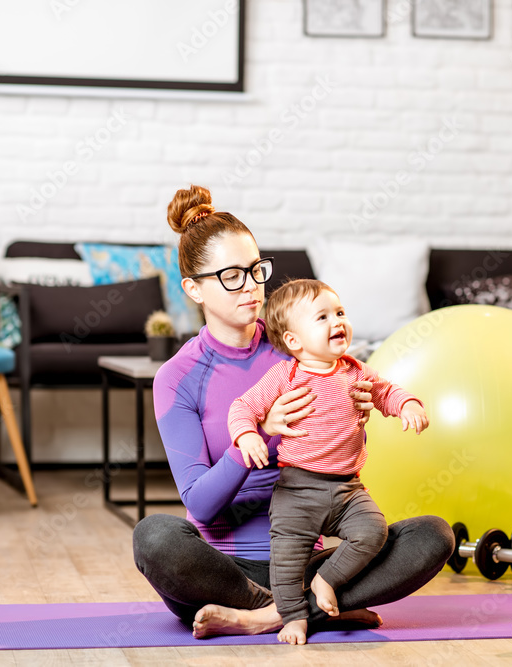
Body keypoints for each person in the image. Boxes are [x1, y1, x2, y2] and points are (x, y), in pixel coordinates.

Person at [132, 184, 454, 642]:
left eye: (255, 269)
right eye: (231, 276)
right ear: (194, 289)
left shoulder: (300, 348)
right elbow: (200, 502)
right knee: (154, 538)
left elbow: (335, 458)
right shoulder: (177, 376)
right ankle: (305, 610)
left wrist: (360, 411)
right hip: (225, 573)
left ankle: (269, 617)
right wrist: (258, 436)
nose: (251, 286)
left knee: (433, 536)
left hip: (312, 561)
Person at [229, 278, 430, 644]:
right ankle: (293, 618)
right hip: (297, 491)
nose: (337, 321)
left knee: (373, 532)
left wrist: (407, 404)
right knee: (287, 561)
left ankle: (327, 580)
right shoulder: (284, 376)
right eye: (322, 317)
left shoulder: (356, 370)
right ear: (294, 341)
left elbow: (386, 390)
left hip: (347, 489)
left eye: (339, 312)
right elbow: (243, 406)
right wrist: (247, 434)